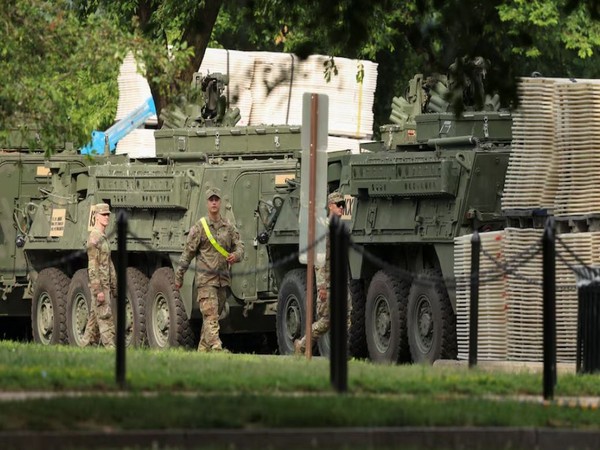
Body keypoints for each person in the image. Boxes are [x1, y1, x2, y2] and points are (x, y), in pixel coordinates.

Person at [175, 187, 245, 352]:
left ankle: (203, 352)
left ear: (220, 202)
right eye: (211, 200)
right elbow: (187, 253)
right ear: (207, 203)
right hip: (206, 281)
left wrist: (236, 255)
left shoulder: (228, 227)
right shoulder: (200, 227)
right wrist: (179, 276)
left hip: (222, 281)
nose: (214, 203)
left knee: (211, 319)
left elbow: (240, 246)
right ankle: (217, 348)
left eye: (216, 199)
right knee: (211, 315)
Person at [294, 190, 350, 355]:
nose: (341, 208)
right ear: (331, 206)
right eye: (339, 205)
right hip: (328, 283)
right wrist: (322, 286)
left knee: (346, 319)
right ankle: (302, 346)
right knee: (326, 322)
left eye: (343, 205)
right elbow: (319, 261)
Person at [83, 202, 117, 347]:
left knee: (93, 325)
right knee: (106, 321)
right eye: (103, 215)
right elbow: (93, 267)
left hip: (106, 286)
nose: (106, 217)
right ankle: (112, 352)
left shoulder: (103, 237)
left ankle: (84, 349)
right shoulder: (94, 238)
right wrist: (98, 291)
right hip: (100, 287)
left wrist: (114, 285)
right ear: (96, 217)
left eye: (108, 214)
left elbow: (108, 264)